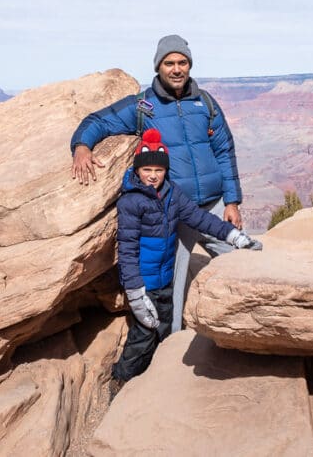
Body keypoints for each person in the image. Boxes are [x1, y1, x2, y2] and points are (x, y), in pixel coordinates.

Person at [71, 34, 244, 331]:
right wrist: (81, 145)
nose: (176, 69)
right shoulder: (143, 107)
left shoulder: (205, 102)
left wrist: (232, 201)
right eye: (169, 63)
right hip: (174, 209)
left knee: (244, 262)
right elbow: (98, 121)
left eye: (182, 62)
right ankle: (170, 351)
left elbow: (224, 150)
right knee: (172, 288)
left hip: (214, 205)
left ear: (189, 65)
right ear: (158, 67)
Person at [111, 129, 259, 387]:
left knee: (165, 332)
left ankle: (155, 382)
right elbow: (127, 249)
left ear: (165, 170)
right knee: (143, 336)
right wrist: (135, 293)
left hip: (165, 280)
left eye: (158, 170)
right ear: (138, 170)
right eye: (147, 170)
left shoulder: (172, 194)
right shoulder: (131, 203)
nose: (153, 176)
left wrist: (234, 236)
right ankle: (122, 382)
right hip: (144, 285)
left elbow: (200, 218)